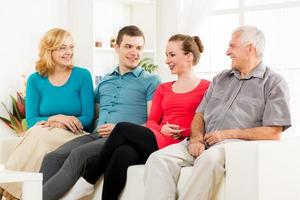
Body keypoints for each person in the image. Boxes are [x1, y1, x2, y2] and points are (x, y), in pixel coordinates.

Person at [144, 25, 292, 200]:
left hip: (233, 144)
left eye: (232, 46)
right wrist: (196, 138)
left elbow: (274, 132)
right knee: (157, 159)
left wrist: (226, 134)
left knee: (209, 159)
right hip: (203, 140)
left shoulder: (273, 83)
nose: (227, 52)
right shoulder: (221, 78)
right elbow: (199, 114)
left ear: (250, 48)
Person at [57, 33, 211, 200]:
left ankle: (88, 180)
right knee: (122, 154)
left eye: (172, 55)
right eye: (166, 55)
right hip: (159, 137)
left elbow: (208, 121)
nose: (167, 60)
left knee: (122, 127)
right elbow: (152, 121)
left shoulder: (207, 88)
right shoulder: (164, 88)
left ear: (188, 56)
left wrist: (185, 131)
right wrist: (162, 128)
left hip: (180, 143)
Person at [40, 25, 161, 200]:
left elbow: (153, 122)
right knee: (52, 157)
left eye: (139, 48)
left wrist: (122, 131)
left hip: (121, 139)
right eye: (129, 46)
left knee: (78, 155)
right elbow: (93, 116)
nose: (134, 52)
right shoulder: (105, 80)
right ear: (117, 47)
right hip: (95, 135)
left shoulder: (151, 81)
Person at [0, 28, 94, 200]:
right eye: (63, 48)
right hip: (44, 132)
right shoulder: (35, 80)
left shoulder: (82, 75)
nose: (69, 52)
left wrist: (62, 123)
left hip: (74, 134)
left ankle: (7, 191)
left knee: (37, 134)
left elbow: (87, 117)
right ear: (49, 51)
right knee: (37, 134)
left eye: (71, 47)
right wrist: (55, 118)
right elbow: (31, 120)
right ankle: (17, 194)